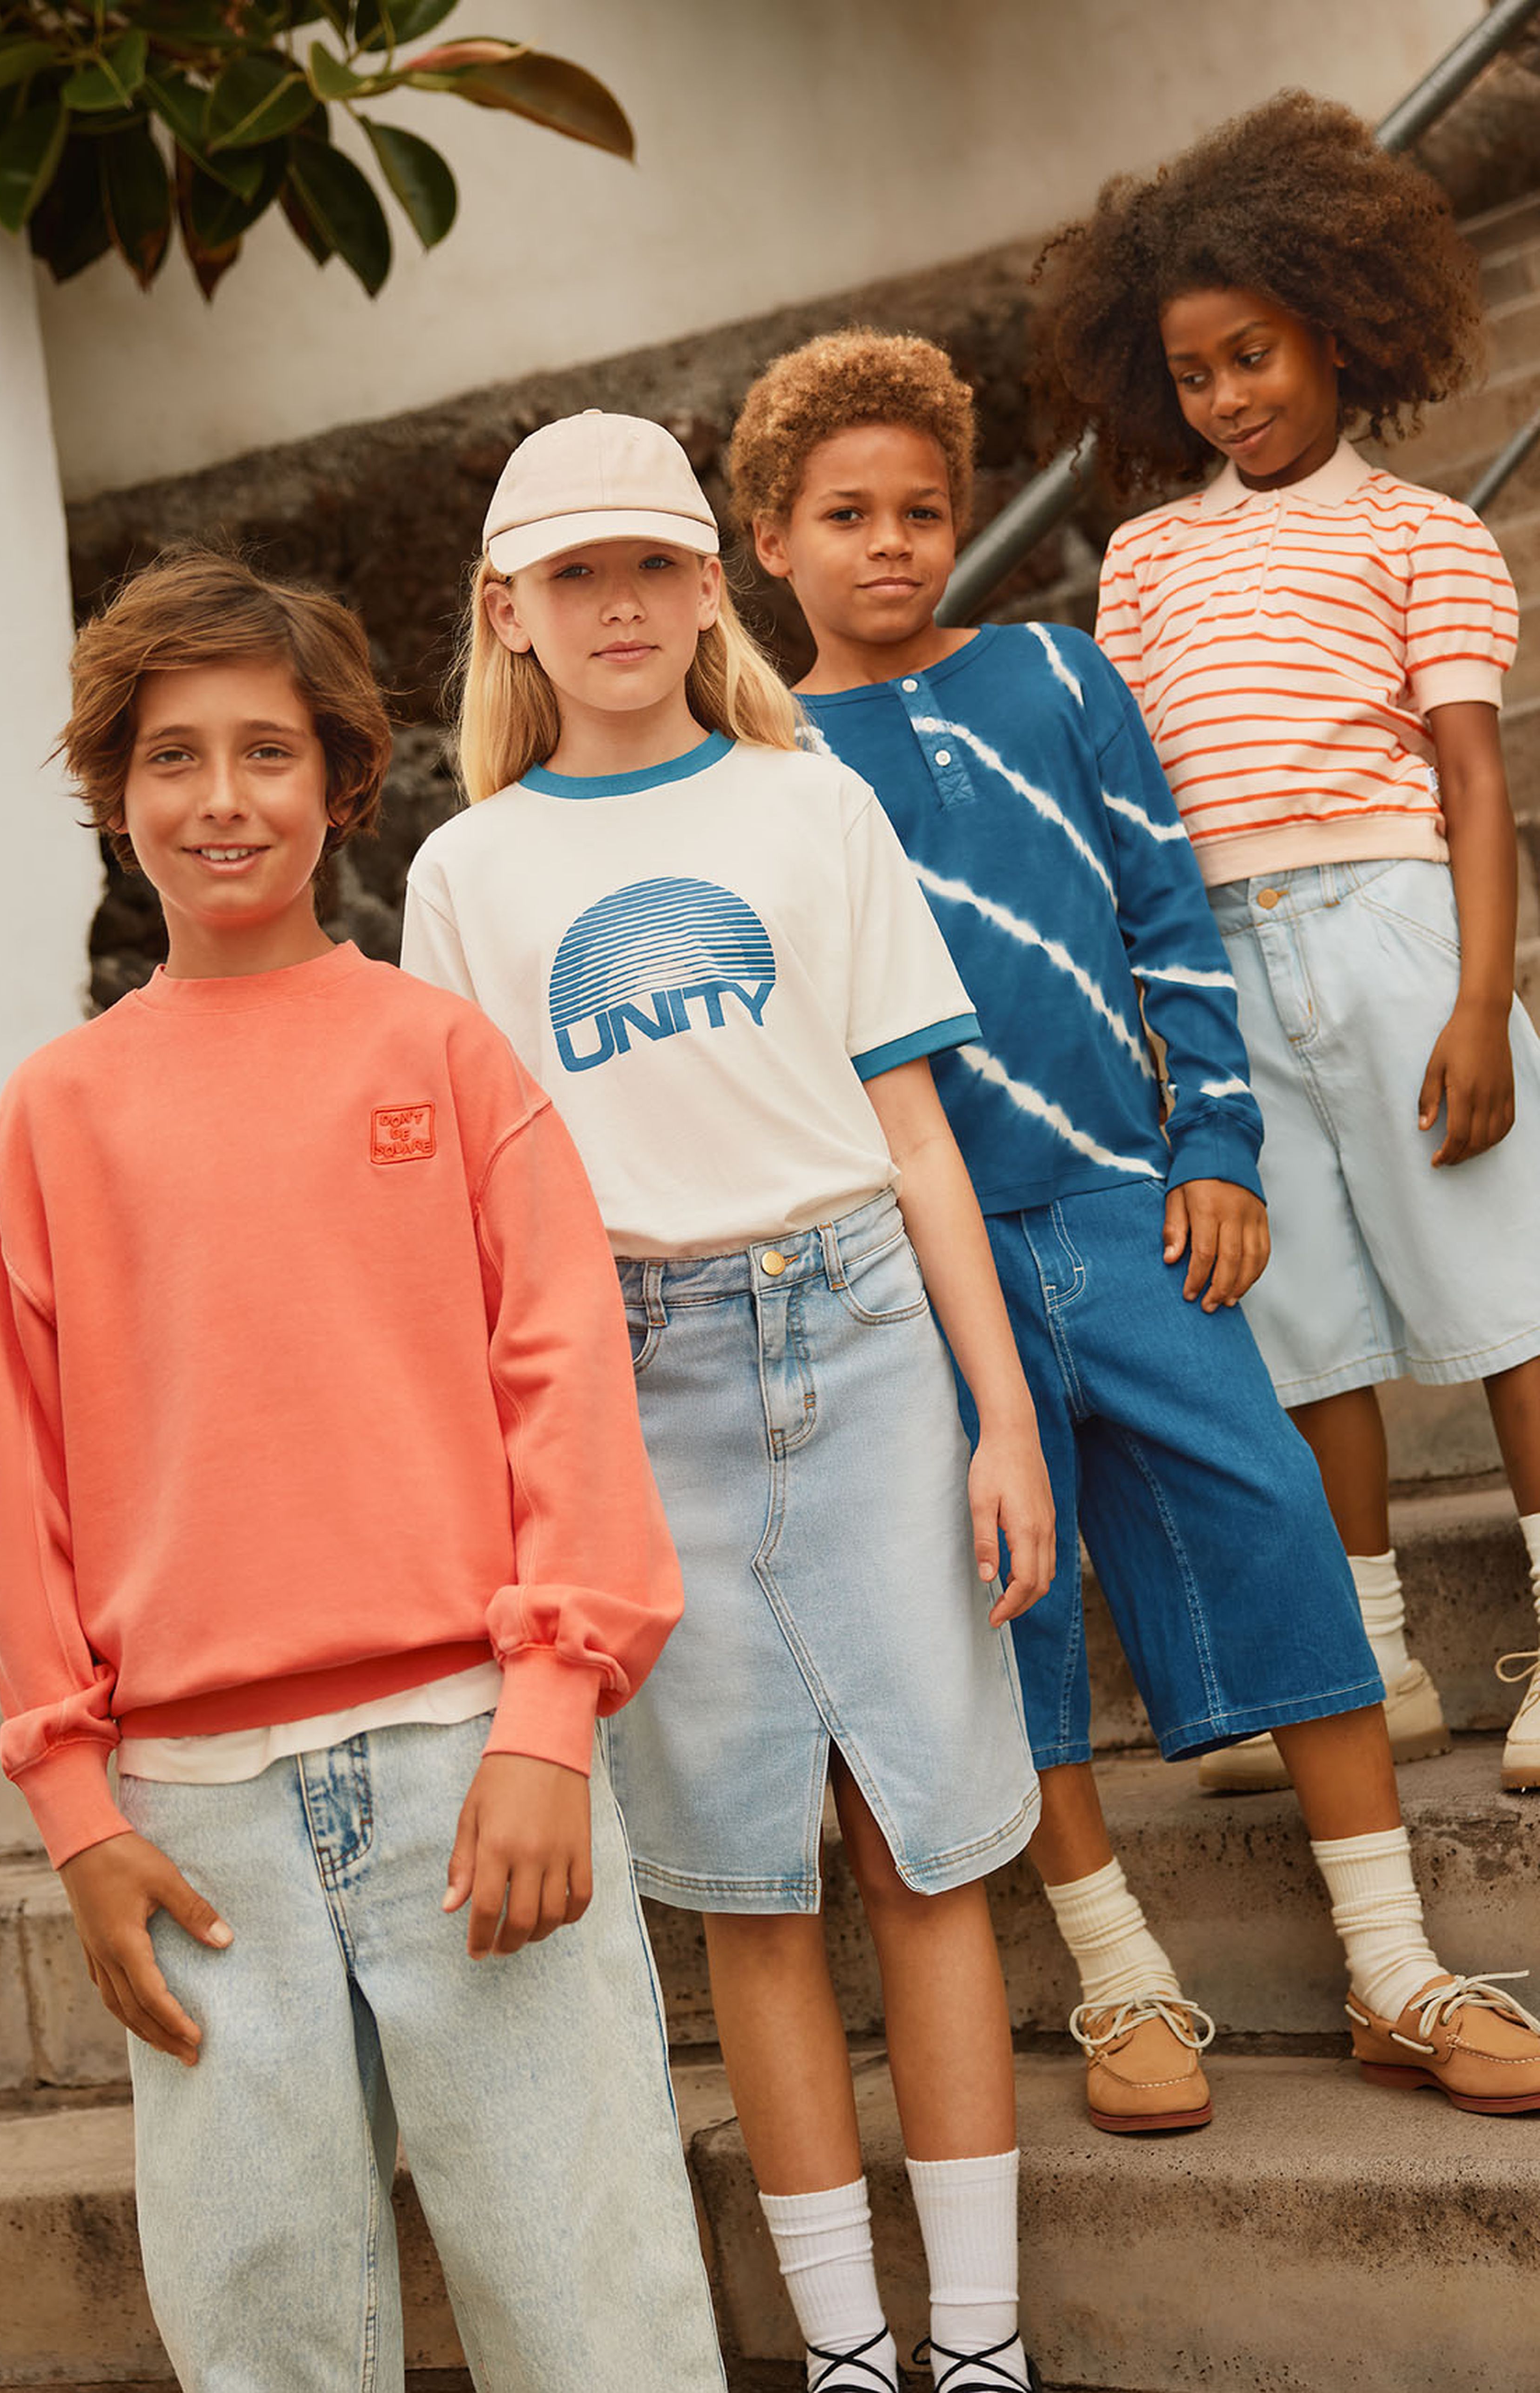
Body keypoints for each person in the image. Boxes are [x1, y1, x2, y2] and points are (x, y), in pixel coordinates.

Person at [730, 325, 1540, 2134]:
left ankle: (1394, 1965)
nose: (891, 543)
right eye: (845, 515)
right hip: (918, 1259)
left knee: (1280, 1538)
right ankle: (1121, 1976)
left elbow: (1171, 915)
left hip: (1127, 1205)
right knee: (1002, 1608)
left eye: (923, 508)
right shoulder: (757, 763)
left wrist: (1217, 1144)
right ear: (768, 540)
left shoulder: (1056, 671)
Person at [0, 546, 728, 2393]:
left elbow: (566, 1390)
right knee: (264, 2339)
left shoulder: (446, 1058)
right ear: (114, 792)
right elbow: (13, 1475)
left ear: (342, 779)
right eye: (172, 757)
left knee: (594, 2314)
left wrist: (550, 1720)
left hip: (472, 1765)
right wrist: (77, 1811)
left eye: (267, 752)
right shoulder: (52, 1115)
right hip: (191, 1818)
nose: (220, 798)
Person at [402, 410, 1052, 2393]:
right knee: (750, 1883)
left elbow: (917, 1136)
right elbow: (483, 1234)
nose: (617, 606)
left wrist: (1002, 1418)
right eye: (572, 575)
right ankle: (848, 2347)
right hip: (633, 1383)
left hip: (863, 1338)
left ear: (709, 587)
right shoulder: (466, 873)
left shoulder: (807, 803)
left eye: (651, 568)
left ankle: (983, 2340)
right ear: (507, 612)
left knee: (923, 1850)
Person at [1031, 91, 1540, 1803]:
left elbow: (1474, 784)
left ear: (1334, 331)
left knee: (1504, 1297)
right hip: (1221, 965)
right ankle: (1370, 1659)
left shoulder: (1426, 534)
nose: (1227, 397)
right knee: (1307, 1320)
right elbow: (1130, 807)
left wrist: (1482, 998)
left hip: (1397, 935)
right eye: (1193, 375)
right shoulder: (1147, 561)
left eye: (1252, 355)